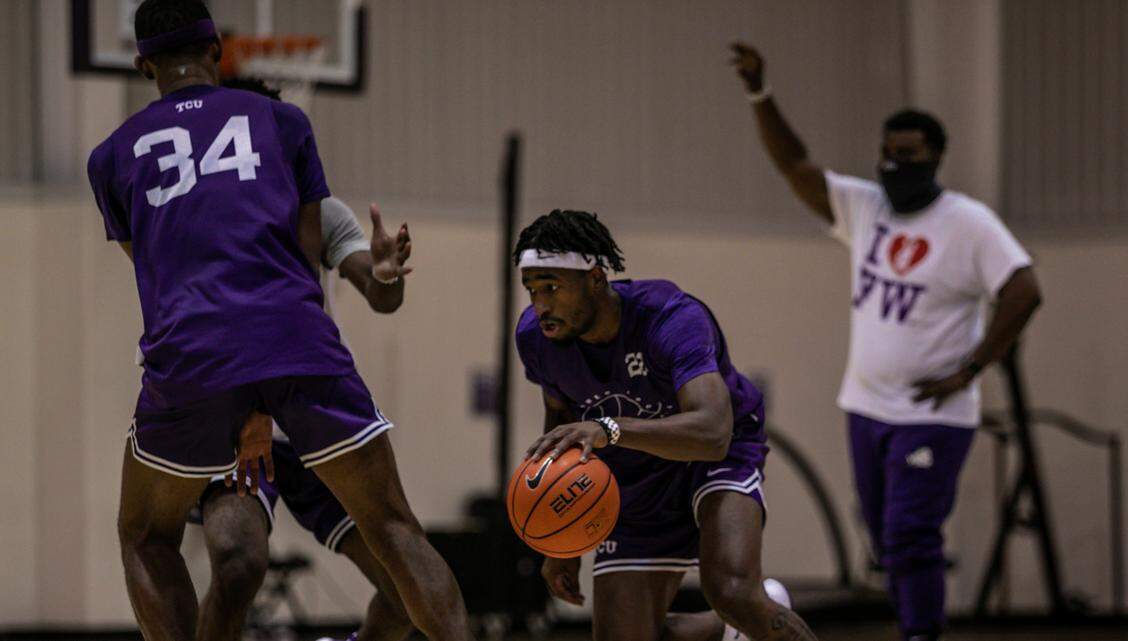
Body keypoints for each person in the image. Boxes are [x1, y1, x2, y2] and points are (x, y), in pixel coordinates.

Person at [86, 1, 471, 639]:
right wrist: (262, 394)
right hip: (296, 348)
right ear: (217, 52)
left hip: (197, 361)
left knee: (143, 535)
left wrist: (251, 403)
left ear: (143, 64)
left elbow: (154, 267)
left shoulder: (110, 158)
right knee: (393, 529)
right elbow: (298, 260)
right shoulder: (282, 122)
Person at [729, 42, 1043, 641]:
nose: (894, 165)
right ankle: (911, 621)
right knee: (882, 538)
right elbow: (795, 166)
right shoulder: (867, 207)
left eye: (909, 155)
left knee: (910, 534)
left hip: (933, 413)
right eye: (887, 154)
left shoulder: (968, 223)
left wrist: (972, 369)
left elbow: (1024, 289)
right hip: (866, 407)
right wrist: (759, 94)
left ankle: (920, 633)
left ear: (935, 159)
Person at [515, 210, 818, 641]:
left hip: (713, 451)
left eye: (552, 287)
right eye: (531, 289)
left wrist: (611, 429)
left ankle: (744, 611)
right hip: (633, 469)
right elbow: (561, 415)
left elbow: (712, 432)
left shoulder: (670, 318)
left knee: (732, 591)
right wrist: (561, 541)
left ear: (596, 279)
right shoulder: (536, 339)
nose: (540, 304)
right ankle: (726, 634)